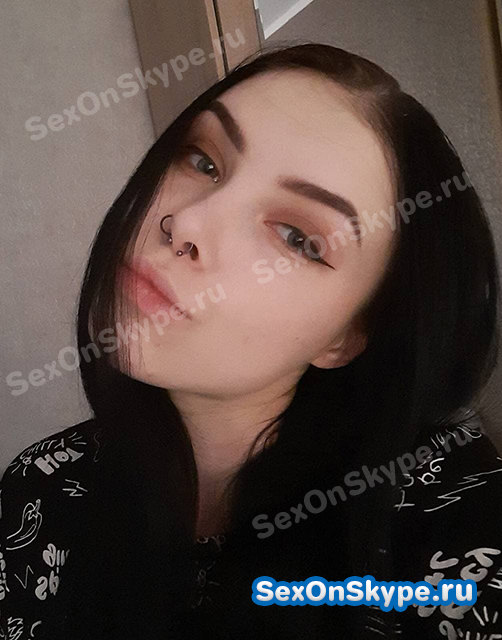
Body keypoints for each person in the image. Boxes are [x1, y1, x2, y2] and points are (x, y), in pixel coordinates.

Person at [1, 42, 501, 640]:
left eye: (296, 237)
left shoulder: (453, 532)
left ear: (347, 336)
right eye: (203, 161)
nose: (185, 223)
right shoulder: (44, 487)